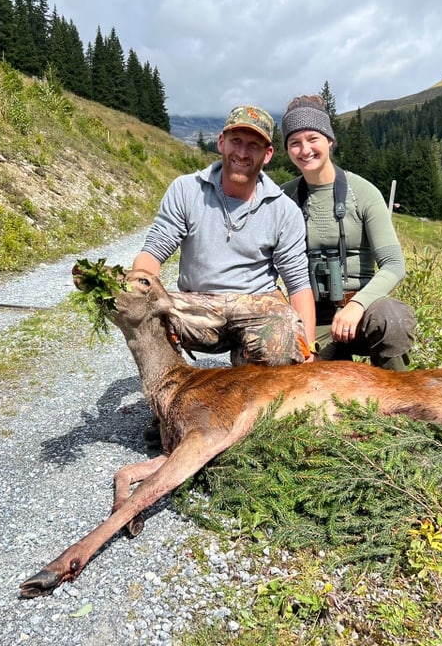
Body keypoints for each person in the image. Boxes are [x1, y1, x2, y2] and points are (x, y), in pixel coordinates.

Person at [132, 105, 317, 445]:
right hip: (196, 304)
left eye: (254, 145)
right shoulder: (186, 190)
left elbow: (298, 283)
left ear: (268, 153)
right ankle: (167, 407)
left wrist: (308, 350)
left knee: (281, 328)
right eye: (236, 141)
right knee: (144, 310)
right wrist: (137, 287)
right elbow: (155, 249)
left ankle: (259, 414)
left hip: (255, 305)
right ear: (221, 142)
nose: (243, 153)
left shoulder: (284, 210)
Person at [280, 95, 416, 371]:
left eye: (312, 139)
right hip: (311, 315)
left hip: (362, 311)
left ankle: (398, 396)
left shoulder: (363, 193)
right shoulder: (283, 197)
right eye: (295, 143)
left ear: (329, 140)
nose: (304, 150)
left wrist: (358, 305)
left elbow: (394, 265)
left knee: (392, 318)